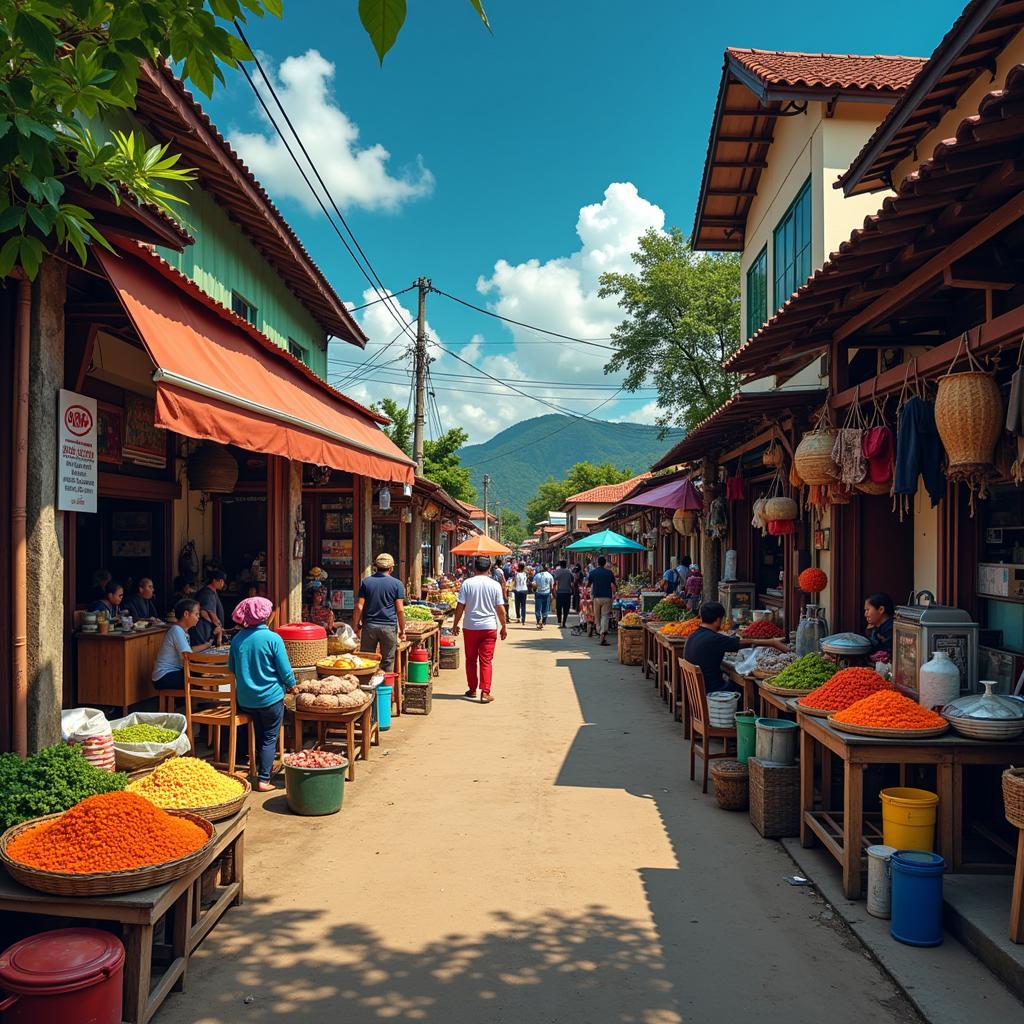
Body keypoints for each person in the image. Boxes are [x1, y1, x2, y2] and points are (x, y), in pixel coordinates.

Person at [228, 597, 295, 791]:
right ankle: (264, 779)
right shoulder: (273, 638)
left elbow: (232, 668)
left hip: (245, 700)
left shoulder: (237, 639)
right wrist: (292, 686)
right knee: (269, 738)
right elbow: (285, 671)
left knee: (259, 733)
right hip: (270, 699)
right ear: (267, 616)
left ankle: (255, 768)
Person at [683, 601, 788, 694]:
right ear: (718, 620)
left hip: (697, 691)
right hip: (714, 692)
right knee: (746, 690)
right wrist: (772, 642)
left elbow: (738, 642)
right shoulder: (714, 639)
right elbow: (744, 643)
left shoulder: (692, 636)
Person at [451, 555, 507, 704]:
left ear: (474, 568)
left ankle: (472, 689)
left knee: (470, 660)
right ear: (489, 568)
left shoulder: (467, 584)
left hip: (470, 627)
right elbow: (500, 609)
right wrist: (504, 626)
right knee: (486, 661)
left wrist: (455, 624)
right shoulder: (494, 585)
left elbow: (460, 606)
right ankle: (485, 692)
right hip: (489, 627)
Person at [353, 553, 406, 672]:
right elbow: (400, 610)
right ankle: (385, 689)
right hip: (389, 628)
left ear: (376, 567)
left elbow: (359, 607)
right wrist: (402, 630)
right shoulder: (397, 584)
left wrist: (355, 625)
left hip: (369, 627)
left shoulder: (366, 582)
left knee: (367, 661)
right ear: (391, 568)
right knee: (387, 661)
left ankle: (368, 688)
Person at [152, 598, 220, 691]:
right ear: (186, 614)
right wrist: (207, 663)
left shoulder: (183, 631)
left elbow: (190, 650)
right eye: (196, 614)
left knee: (205, 676)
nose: (198, 617)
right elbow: (188, 656)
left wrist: (208, 645)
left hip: (174, 673)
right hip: (164, 676)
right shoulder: (176, 630)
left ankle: (201, 701)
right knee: (202, 678)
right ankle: (201, 702)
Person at [587, 556, 616, 646]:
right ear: (605, 563)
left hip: (596, 597)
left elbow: (588, 584)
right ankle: (603, 633)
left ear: (597, 563)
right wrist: (615, 592)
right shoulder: (609, 572)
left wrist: (587, 589)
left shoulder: (593, 572)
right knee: (605, 615)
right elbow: (614, 584)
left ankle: (600, 632)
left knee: (597, 616)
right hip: (607, 597)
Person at [194, 570, 227, 646]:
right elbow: (206, 612)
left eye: (223, 581)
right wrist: (217, 626)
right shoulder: (207, 593)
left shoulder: (212, 592)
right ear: (214, 580)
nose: (222, 583)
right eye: (221, 580)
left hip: (208, 630)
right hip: (204, 630)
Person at [864, 592, 895, 658]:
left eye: (867, 610)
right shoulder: (875, 628)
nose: (865, 614)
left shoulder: (890, 629)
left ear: (881, 609)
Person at [552, 559, 575, 629]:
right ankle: (564, 622)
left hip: (559, 592)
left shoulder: (557, 571)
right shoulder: (569, 572)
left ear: (560, 565)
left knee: (558, 608)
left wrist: (554, 591)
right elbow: (572, 583)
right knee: (566, 608)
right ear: (566, 564)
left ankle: (559, 621)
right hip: (567, 592)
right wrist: (572, 589)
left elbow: (554, 582)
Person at [532, 564, 554, 628]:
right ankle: (544, 620)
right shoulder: (550, 576)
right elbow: (552, 586)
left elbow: (533, 584)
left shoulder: (537, 575)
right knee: (545, 608)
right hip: (547, 593)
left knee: (538, 608)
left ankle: (538, 621)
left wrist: (534, 589)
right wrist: (552, 594)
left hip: (538, 593)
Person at [512, 561, 529, 625]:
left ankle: (518, 618)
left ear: (518, 567)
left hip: (518, 590)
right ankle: (523, 619)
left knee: (517, 605)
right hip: (524, 590)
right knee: (523, 605)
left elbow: (515, 582)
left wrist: (513, 587)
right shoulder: (525, 574)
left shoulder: (516, 574)